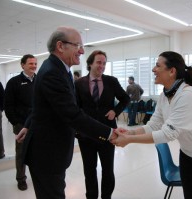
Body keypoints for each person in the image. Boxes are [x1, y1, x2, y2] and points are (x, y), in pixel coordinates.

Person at [16, 26, 116, 199]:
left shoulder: (58, 69)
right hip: (47, 154)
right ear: (60, 46)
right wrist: (109, 133)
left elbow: (41, 104)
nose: (82, 51)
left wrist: (28, 125)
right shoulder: (53, 73)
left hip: (51, 152)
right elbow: (73, 114)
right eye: (78, 45)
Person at [112, 51, 192, 199]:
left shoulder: (187, 96)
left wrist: (129, 140)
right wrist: (130, 133)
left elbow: (167, 134)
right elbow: (154, 124)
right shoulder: (165, 95)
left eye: (158, 65)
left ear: (172, 71)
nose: (153, 69)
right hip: (187, 154)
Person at [75, 50, 129, 199]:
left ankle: (107, 197)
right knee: (89, 170)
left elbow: (125, 99)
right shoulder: (79, 83)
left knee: (107, 169)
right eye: (99, 62)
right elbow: (75, 108)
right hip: (86, 135)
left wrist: (115, 111)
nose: (102, 66)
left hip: (108, 132)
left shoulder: (111, 81)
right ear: (90, 63)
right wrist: (77, 129)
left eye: (104, 63)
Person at [4, 54, 37, 191]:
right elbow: (8, 106)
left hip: (37, 124)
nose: (34, 66)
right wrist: (16, 123)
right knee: (21, 153)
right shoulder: (14, 82)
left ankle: (37, 176)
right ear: (22, 65)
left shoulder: (40, 80)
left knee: (37, 152)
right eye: (30, 64)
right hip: (21, 124)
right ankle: (21, 179)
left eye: (35, 64)